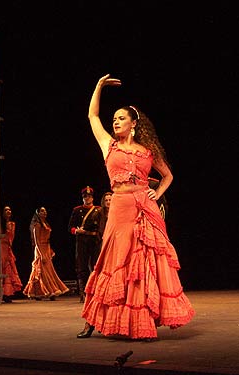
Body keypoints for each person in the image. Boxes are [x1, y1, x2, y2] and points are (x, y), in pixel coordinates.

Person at [76, 74, 195, 340]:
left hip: (144, 208)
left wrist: (156, 193)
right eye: (114, 118)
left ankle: (141, 319)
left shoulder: (147, 150)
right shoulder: (109, 145)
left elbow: (168, 175)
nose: (115, 121)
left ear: (133, 124)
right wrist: (97, 87)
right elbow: (92, 117)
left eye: (120, 118)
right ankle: (94, 319)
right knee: (114, 259)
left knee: (142, 262)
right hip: (120, 207)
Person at [23, 207, 69, 300]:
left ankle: (47, 291)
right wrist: (40, 254)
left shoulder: (45, 224)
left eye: (45, 211)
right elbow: (36, 241)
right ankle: (43, 292)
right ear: (38, 213)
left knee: (49, 271)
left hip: (46, 248)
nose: (44, 212)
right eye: (42, 211)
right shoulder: (37, 225)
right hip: (40, 248)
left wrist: (50, 250)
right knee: (41, 271)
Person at [68, 186, 102, 303]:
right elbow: (70, 227)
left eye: (89, 196)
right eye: (85, 197)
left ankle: (95, 291)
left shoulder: (98, 210)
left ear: (93, 197)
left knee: (95, 266)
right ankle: (83, 292)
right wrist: (76, 231)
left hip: (95, 240)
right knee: (81, 266)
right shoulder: (77, 210)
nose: (87, 198)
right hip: (82, 240)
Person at [0, 206, 22, 303]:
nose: (8, 211)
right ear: (2, 213)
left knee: (7, 270)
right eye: (6, 210)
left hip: (7, 249)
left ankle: (6, 294)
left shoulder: (12, 224)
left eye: (10, 209)